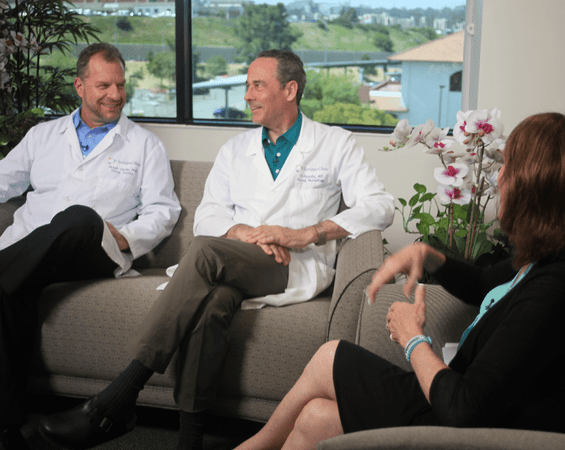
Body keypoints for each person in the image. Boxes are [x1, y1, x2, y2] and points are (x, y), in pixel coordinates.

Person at [38, 49, 395, 450]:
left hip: (292, 264)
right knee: (213, 304)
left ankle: (122, 393)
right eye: (247, 86)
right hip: (239, 262)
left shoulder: (335, 143)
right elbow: (206, 217)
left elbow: (381, 206)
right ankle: (189, 440)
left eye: (257, 85)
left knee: (206, 253)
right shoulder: (234, 150)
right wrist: (243, 232)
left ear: (290, 89)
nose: (247, 95)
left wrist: (305, 234)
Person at [231, 112, 565, 450]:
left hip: (478, 431)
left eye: (511, 169)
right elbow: (485, 283)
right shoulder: (551, 261)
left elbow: (464, 409)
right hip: (466, 409)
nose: (499, 177)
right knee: (314, 417)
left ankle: (253, 446)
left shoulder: (559, 289)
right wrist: (428, 257)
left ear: (540, 193)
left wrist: (413, 339)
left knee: (330, 358)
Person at [0, 43, 181, 450]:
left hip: (95, 249)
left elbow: (163, 211)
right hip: (29, 250)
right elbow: (2, 182)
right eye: (104, 85)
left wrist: (126, 236)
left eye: (120, 84)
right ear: (79, 86)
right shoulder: (42, 135)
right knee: (8, 292)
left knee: (80, 216)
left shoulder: (144, 145)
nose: (115, 94)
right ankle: (8, 430)